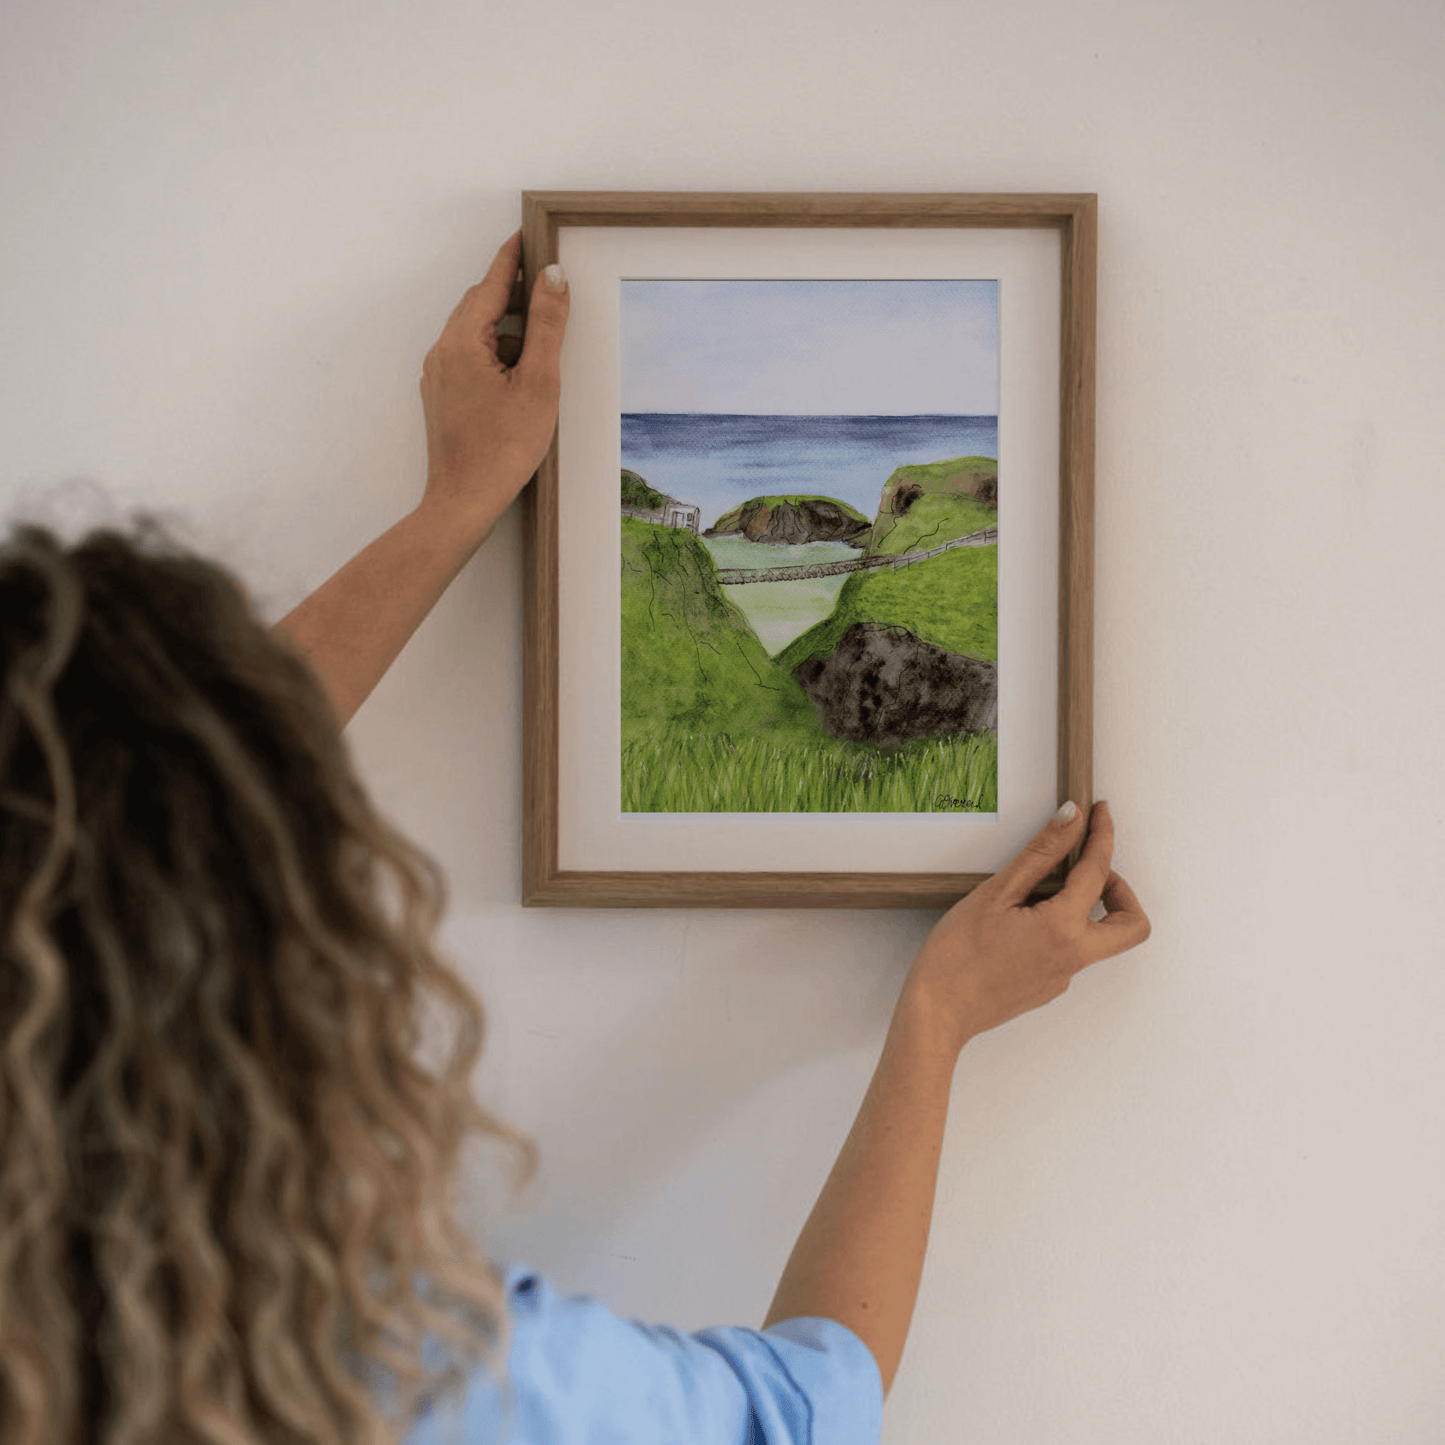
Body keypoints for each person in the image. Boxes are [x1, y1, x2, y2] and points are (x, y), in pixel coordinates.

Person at [0, 232, 1150, 1445]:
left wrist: (455, 505)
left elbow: (144, 795)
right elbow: (800, 1406)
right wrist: (936, 1017)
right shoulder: (411, 1376)